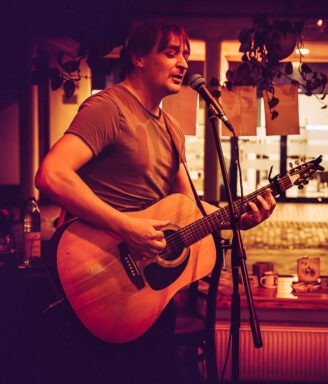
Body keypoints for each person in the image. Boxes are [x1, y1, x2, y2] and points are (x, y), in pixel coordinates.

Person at [35, 19, 276, 384]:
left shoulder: (171, 128)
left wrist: (236, 217)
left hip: (149, 291)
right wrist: (125, 226)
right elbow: (52, 174)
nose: (183, 64)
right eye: (171, 52)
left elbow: (186, 206)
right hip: (101, 275)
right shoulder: (108, 108)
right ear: (138, 57)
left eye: (186, 55)